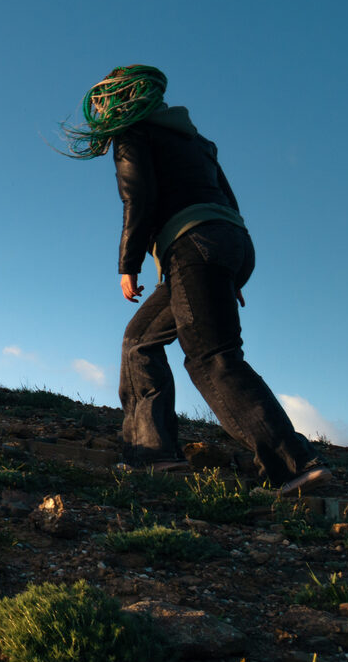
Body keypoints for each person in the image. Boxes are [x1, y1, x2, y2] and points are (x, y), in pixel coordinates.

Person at [63, 65, 330, 496]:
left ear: (123, 98)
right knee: (139, 342)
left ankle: (293, 464)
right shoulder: (196, 140)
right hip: (229, 243)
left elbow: (138, 198)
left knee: (212, 357)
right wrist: (232, 271)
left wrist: (128, 264)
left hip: (193, 247)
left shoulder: (133, 133)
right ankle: (152, 452)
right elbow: (229, 200)